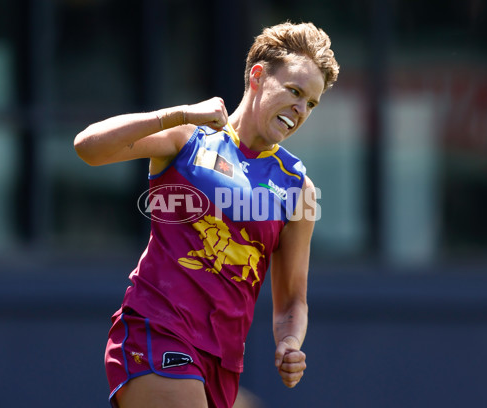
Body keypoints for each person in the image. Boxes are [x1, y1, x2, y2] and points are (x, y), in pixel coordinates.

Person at [74, 21, 339, 408]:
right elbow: (88, 147)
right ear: (258, 76)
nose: (300, 110)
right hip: (157, 329)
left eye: (311, 103)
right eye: (295, 91)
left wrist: (289, 342)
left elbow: (292, 302)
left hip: (222, 362)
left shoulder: (300, 191)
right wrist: (178, 114)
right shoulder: (188, 137)